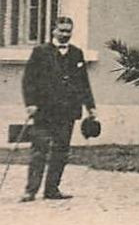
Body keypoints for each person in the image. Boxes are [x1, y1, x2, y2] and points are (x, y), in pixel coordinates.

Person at [20, 16, 96, 202]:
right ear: (53, 31)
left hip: (67, 110)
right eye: (61, 30)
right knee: (39, 150)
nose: (65, 34)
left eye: (68, 31)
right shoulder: (40, 52)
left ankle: (52, 189)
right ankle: (31, 190)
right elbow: (29, 80)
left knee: (61, 150)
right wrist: (30, 103)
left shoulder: (77, 53)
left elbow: (83, 82)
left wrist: (91, 107)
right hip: (44, 110)